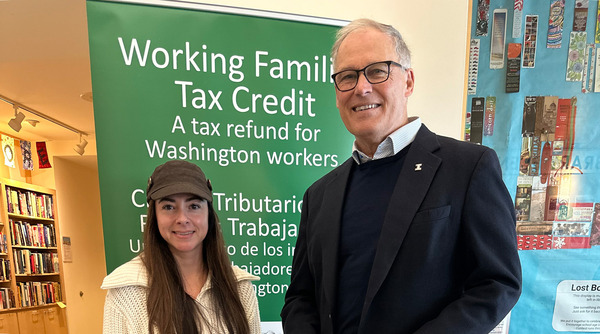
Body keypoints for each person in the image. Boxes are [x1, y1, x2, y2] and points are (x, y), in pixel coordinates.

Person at [281, 19, 522, 334]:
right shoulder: (319, 195)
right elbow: (301, 297)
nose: (361, 87)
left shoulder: (468, 168)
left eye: (377, 71)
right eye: (347, 76)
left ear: (408, 81)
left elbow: (498, 282)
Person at [102, 160, 261, 334]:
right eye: (168, 207)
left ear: (208, 213)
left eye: (193, 206)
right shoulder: (126, 292)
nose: (182, 218)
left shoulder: (238, 286)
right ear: (154, 216)